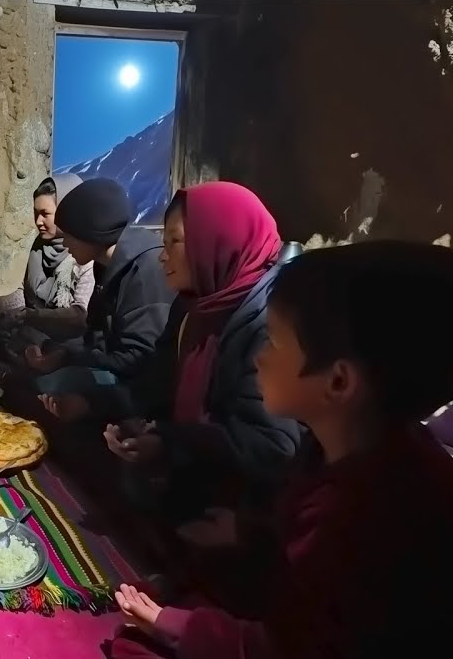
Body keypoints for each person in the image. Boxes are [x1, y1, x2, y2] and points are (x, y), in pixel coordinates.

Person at [106, 240, 453, 659]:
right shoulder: (350, 448)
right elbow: (299, 554)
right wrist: (246, 534)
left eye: (275, 343)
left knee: (139, 652)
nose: (260, 358)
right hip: (323, 642)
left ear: (338, 383)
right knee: (181, 592)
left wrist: (172, 626)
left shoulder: (378, 509)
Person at [91, 182, 303, 524]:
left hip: (248, 511)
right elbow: (158, 379)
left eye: (175, 241)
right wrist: (134, 420)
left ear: (217, 240)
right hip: (191, 467)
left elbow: (272, 447)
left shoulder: (267, 324)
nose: (163, 254)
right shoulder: (195, 305)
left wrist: (168, 442)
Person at [27, 177, 174, 400]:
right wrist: (62, 353)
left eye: (69, 235)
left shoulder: (144, 272)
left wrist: (71, 359)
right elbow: (95, 335)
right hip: (113, 369)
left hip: (140, 391)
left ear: (90, 232)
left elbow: (140, 360)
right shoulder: (105, 264)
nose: (65, 244)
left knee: (51, 386)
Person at [0, 174, 95, 359]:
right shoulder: (40, 245)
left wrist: (29, 316)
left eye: (45, 214)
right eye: (36, 213)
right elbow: (27, 296)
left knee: (19, 340)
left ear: (67, 212)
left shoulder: (85, 253)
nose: (38, 222)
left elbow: (80, 318)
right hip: (36, 325)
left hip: (68, 338)